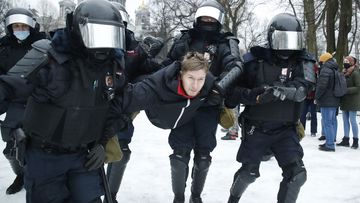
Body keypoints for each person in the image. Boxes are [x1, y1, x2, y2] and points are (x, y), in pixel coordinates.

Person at [0, 0, 127, 202]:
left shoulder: (112, 65)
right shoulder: (49, 57)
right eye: (97, 34)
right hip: (45, 157)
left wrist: (102, 143)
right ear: (78, 30)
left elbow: (115, 108)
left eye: (110, 35)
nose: (104, 44)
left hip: (84, 157)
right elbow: (10, 85)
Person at [225, 13, 316, 203]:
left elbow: (305, 87)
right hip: (256, 128)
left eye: (293, 39)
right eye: (283, 39)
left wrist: (288, 90)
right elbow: (232, 94)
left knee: (297, 174)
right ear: (272, 37)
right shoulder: (254, 61)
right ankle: (233, 200)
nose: (288, 46)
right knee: (248, 173)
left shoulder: (303, 61)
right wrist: (257, 95)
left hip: (286, 129)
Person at [162, 1, 243, 202]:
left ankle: (195, 197)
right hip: (182, 104)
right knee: (179, 155)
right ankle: (178, 197)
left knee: (204, 156)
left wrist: (219, 88)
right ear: (198, 18)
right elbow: (169, 65)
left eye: (212, 17)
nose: (208, 20)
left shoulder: (226, 42)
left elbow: (235, 66)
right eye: (204, 16)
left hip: (209, 106)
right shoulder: (185, 39)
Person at [105, 2, 164, 203]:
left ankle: (111, 196)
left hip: (121, 108)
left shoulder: (133, 47)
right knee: (88, 152)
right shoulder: (92, 44)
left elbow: (148, 70)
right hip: (91, 108)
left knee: (122, 151)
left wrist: (157, 60)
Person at [0, 7, 47, 195]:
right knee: (11, 146)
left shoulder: (44, 44)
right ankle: (20, 174)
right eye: (16, 26)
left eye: (23, 26)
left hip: (39, 100)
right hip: (15, 101)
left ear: (31, 26)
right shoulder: (3, 47)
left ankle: (39, 176)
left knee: (40, 145)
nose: (20, 29)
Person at [315, 52, 340, 152]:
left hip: (327, 100)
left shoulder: (325, 70)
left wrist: (317, 97)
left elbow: (322, 86)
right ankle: (330, 140)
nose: (320, 64)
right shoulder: (335, 69)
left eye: (321, 62)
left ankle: (329, 144)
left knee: (327, 122)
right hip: (334, 99)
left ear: (324, 61)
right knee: (332, 121)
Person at [337, 56, 360, 149]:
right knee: (345, 121)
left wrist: (345, 90)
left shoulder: (355, 73)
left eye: (347, 61)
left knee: (353, 121)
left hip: (353, 101)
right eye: (344, 61)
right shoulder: (343, 72)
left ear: (351, 62)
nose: (345, 63)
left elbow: (358, 87)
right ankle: (346, 139)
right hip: (344, 100)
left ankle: (355, 140)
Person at [300, 63, 319, 137]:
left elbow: (318, 83)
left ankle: (313, 131)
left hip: (314, 96)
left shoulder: (316, 70)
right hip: (305, 95)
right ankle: (302, 130)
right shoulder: (304, 70)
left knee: (313, 114)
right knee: (302, 114)